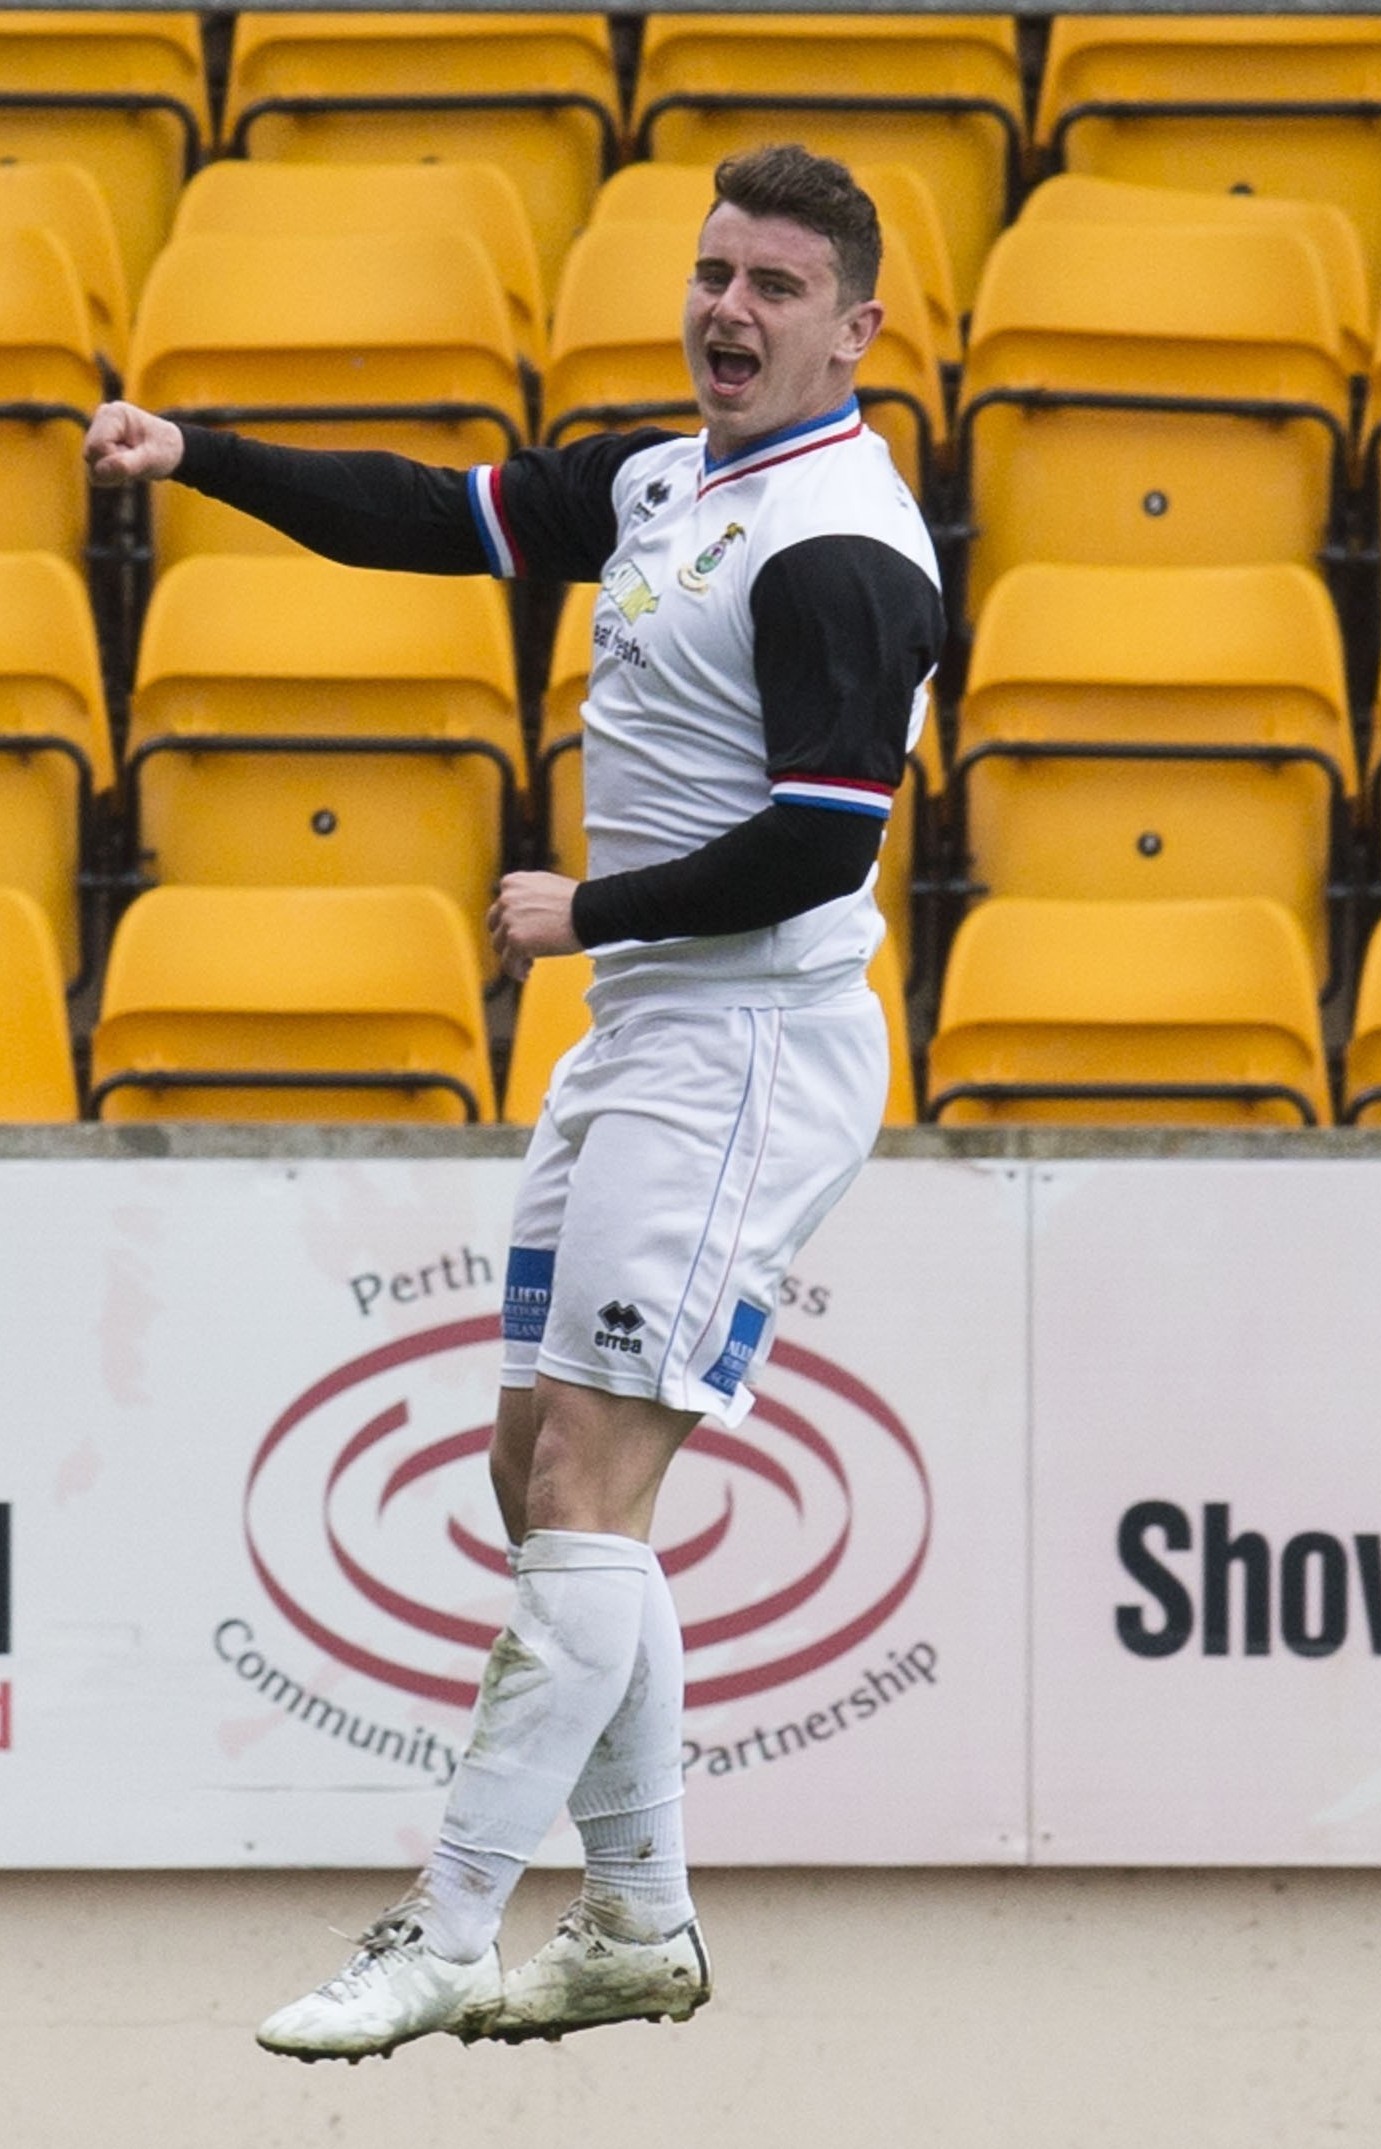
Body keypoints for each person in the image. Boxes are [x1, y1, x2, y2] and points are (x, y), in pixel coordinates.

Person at [87, 144, 945, 2060]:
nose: (729, 307)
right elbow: (430, 513)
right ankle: (638, 1917)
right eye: (714, 270)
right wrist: (196, 451)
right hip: (640, 1035)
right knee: (526, 1475)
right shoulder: (667, 479)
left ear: (856, 327)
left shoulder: (842, 547)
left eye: (776, 286)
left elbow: (822, 844)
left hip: (743, 1046)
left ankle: (448, 1921)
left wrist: (587, 909)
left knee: (585, 1479)